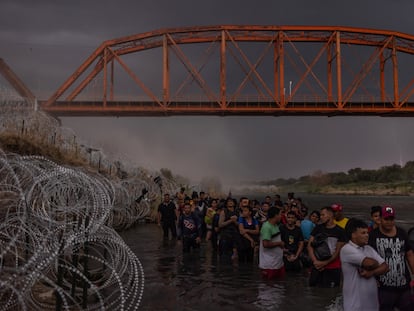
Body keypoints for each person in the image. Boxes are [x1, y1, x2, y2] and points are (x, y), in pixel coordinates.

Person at [368, 205, 414, 311]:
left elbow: (409, 254)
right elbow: (367, 259)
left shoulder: (402, 233)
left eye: (391, 219)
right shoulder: (372, 236)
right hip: (384, 287)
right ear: (380, 219)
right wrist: (372, 278)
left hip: (404, 285)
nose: (389, 222)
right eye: (386, 219)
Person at [340, 218, 389, 311]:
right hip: (354, 306)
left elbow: (386, 267)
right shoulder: (347, 249)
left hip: (372, 305)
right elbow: (370, 263)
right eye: (363, 233)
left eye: (367, 232)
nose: (367, 235)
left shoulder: (368, 248)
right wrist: (376, 265)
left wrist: (372, 273)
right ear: (353, 235)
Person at [307, 206, 347, 287]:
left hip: (333, 267)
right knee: (314, 290)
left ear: (330, 215)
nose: (320, 217)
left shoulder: (340, 231)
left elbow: (337, 252)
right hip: (317, 265)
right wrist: (315, 262)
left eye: (323, 215)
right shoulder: (317, 228)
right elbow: (309, 246)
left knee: (331, 293)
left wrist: (324, 263)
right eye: (320, 215)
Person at [259, 206, 285, 279]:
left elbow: (275, 240)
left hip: (277, 262)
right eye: (280, 214)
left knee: (278, 286)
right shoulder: (267, 227)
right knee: (268, 287)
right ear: (275, 215)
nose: (281, 216)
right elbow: (265, 244)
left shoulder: (275, 225)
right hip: (269, 264)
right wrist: (279, 243)